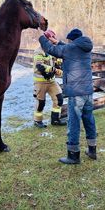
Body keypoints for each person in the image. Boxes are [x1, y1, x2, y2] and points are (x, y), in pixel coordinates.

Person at [39, 28, 97, 164]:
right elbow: (68, 48)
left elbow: (52, 50)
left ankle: (73, 155)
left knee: (74, 123)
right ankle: (92, 150)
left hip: (76, 94)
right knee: (89, 120)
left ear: (72, 40)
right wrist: (57, 41)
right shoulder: (85, 47)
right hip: (88, 92)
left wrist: (41, 38)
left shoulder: (71, 48)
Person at [33, 30, 66, 128]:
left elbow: (57, 61)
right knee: (41, 103)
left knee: (59, 98)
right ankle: (37, 121)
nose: (53, 41)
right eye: (51, 39)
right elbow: (40, 66)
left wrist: (59, 65)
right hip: (40, 82)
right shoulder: (38, 51)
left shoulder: (52, 50)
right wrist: (54, 69)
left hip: (51, 81)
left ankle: (55, 120)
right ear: (46, 40)